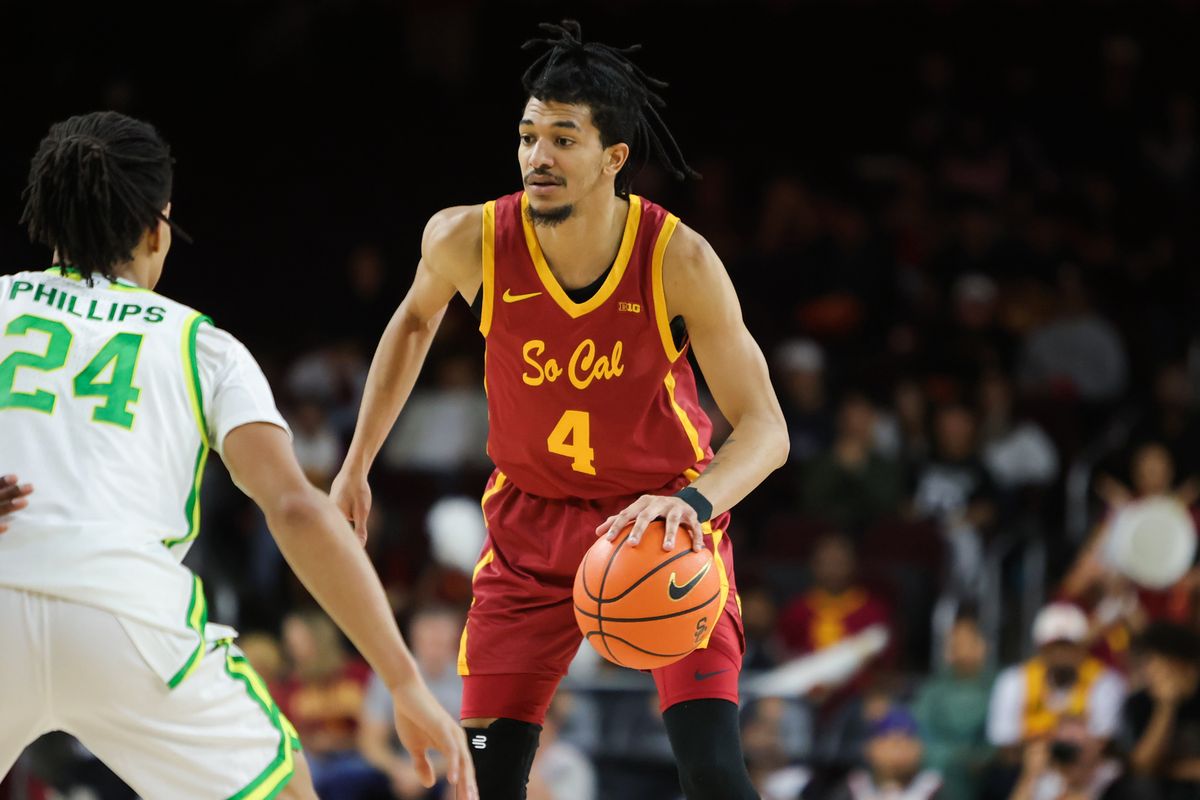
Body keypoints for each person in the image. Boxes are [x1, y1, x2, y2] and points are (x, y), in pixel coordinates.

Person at [330, 20, 788, 800]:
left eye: (563, 139)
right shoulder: (467, 238)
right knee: (483, 780)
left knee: (713, 771)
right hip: (527, 530)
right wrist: (356, 465)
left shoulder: (678, 260)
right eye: (528, 135)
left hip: (658, 524)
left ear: (614, 158)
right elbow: (411, 323)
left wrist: (691, 503)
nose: (538, 156)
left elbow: (767, 430)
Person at [0, 111, 475, 800]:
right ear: (157, 228)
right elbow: (294, 509)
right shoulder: (200, 345)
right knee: (283, 791)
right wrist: (402, 679)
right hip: (128, 619)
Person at [913, 611, 995, 800]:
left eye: (968, 643)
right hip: (940, 764)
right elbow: (920, 728)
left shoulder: (999, 685)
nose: (960, 649)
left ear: (983, 646)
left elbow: (1000, 733)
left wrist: (983, 756)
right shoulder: (933, 689)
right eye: (954, 644)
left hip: (985, 767)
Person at [1120, 622, 1200, 798]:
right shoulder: (1139, 703)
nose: (1149, 671)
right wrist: (1166, 706)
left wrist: (1168, 769)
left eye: (1155, 662)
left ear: (1181, 663)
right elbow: (1142, 766)